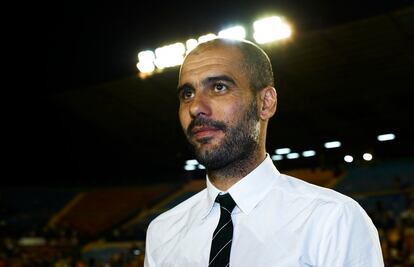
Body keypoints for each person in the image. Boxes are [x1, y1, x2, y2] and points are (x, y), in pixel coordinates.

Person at [144, 38, 384, 266]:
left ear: (265, 103)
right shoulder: (162, 232)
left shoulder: (332, 219)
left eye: (219, 87)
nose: (195, 107)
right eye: (187, 93)